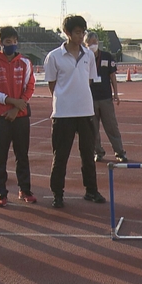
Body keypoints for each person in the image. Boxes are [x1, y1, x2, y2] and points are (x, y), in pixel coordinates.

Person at [44, 15, 106, 208]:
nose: (81, 36)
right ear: (67, 33)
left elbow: (88, 81)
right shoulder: (54, 56)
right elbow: (52, 85)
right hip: (63, 114)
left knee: (88, 154)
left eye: (83, 32)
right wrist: (66, 98)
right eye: (78, 32)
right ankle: (58, 194)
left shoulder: (88, 55)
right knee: (60, 156)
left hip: (86, 111)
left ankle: (91, 190)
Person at [0, 26, 36, 207]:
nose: (11, 45)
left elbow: (30, 87)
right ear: (0, 43)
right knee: (0, 156)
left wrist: (18, 106)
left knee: (23, 155)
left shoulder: (26, 63)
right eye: (7, 42)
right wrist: (11, 101)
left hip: (20, 116)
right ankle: (1, 193)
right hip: (0, 117)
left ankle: (25, 190)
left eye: (14, 41)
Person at [84, 32, 127, 163]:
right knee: (93, 129)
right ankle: (98, 152)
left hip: (105, 98)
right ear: (85, 45)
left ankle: (119, 152)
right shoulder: (83, 58)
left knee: (112, 127)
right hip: (90, 99)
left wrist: (116, 93)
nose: (92, 45)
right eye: (89, 43)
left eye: (94, 42)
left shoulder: (107, 57)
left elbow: (112, 76)